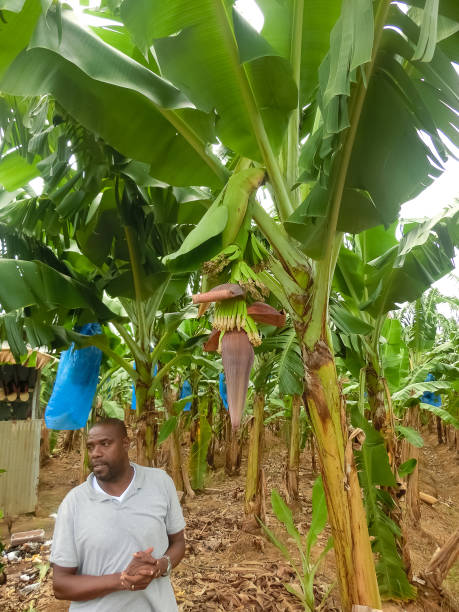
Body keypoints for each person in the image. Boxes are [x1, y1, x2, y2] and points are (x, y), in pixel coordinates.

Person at [50, 418, 185, 611]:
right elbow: (61, 586)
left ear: (125, 444)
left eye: (105, 444)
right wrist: (122, 580)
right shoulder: (74, 503)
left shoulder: (160, 483)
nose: (95, 453)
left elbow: (178, 542)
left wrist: (160, 566)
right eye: (90, 447)